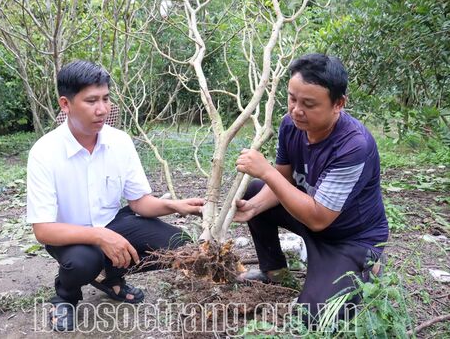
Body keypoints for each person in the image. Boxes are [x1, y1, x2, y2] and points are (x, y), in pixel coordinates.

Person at [26, 60, 204, 331]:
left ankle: (111, 278)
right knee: (82, 262)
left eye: (106, 99)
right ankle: (65, 296)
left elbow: (139, 202)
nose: (102, 109)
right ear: (66, 104)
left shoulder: (119, 141)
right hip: (68, 235)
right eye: (91, 101)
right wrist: (99, 236)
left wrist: (174, 205)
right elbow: (43, 230)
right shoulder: (45, 152)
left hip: (112, 222)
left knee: (179, 243)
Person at [234, 53, 389, 325]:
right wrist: (254, 207)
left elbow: (319, 218)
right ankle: (275, 272)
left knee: (314, 319)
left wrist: (266, 169)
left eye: (308, 104)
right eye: (292, 98)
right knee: (255, 191)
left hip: (348, 238)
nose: (296, 110)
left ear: (338, 104)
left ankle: (368, 265)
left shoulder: (354, 145)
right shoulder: (291, 126)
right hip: (311, 216)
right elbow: (284, 179)